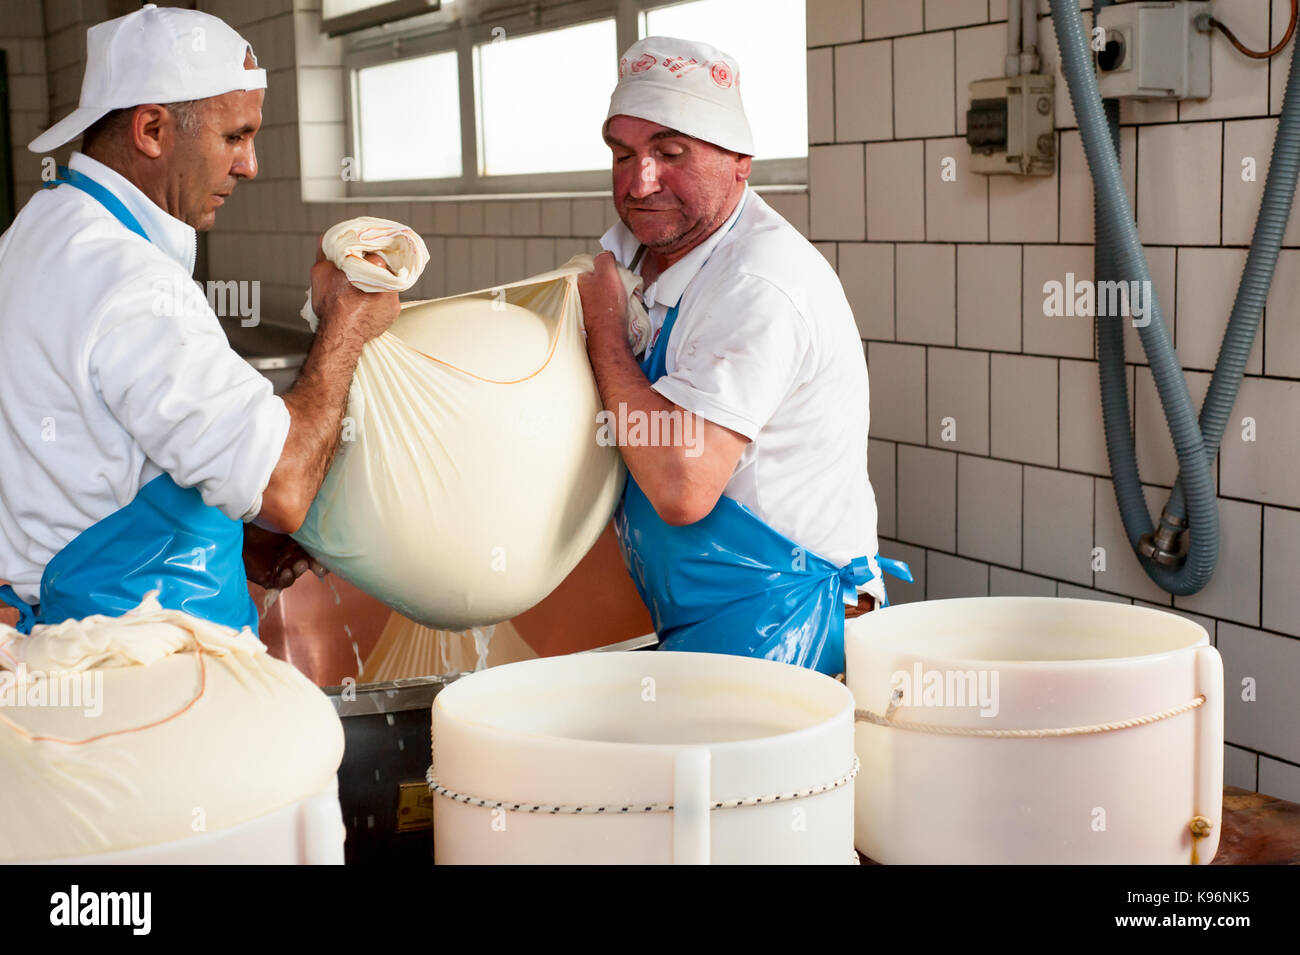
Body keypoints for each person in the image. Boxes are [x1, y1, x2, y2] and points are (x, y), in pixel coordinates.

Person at [0, 5, 398, 634]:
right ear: (152, 130)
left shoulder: (42, 228)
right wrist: (345, 322)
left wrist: (228, 537)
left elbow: (93, 460)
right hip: (134, 657)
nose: (250, 165)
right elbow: (286, 488)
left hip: (61, 627)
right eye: (234, 136)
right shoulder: (130, 281)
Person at [577, 36, 910, 676]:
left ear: (739, 161)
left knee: (770, 781)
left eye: (671, 153)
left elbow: (682, 486)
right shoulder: (640, 260)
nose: (641, 181)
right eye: (624, 155)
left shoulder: (758, 284)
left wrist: (604, 337)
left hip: (786, 626)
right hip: (703, 614)